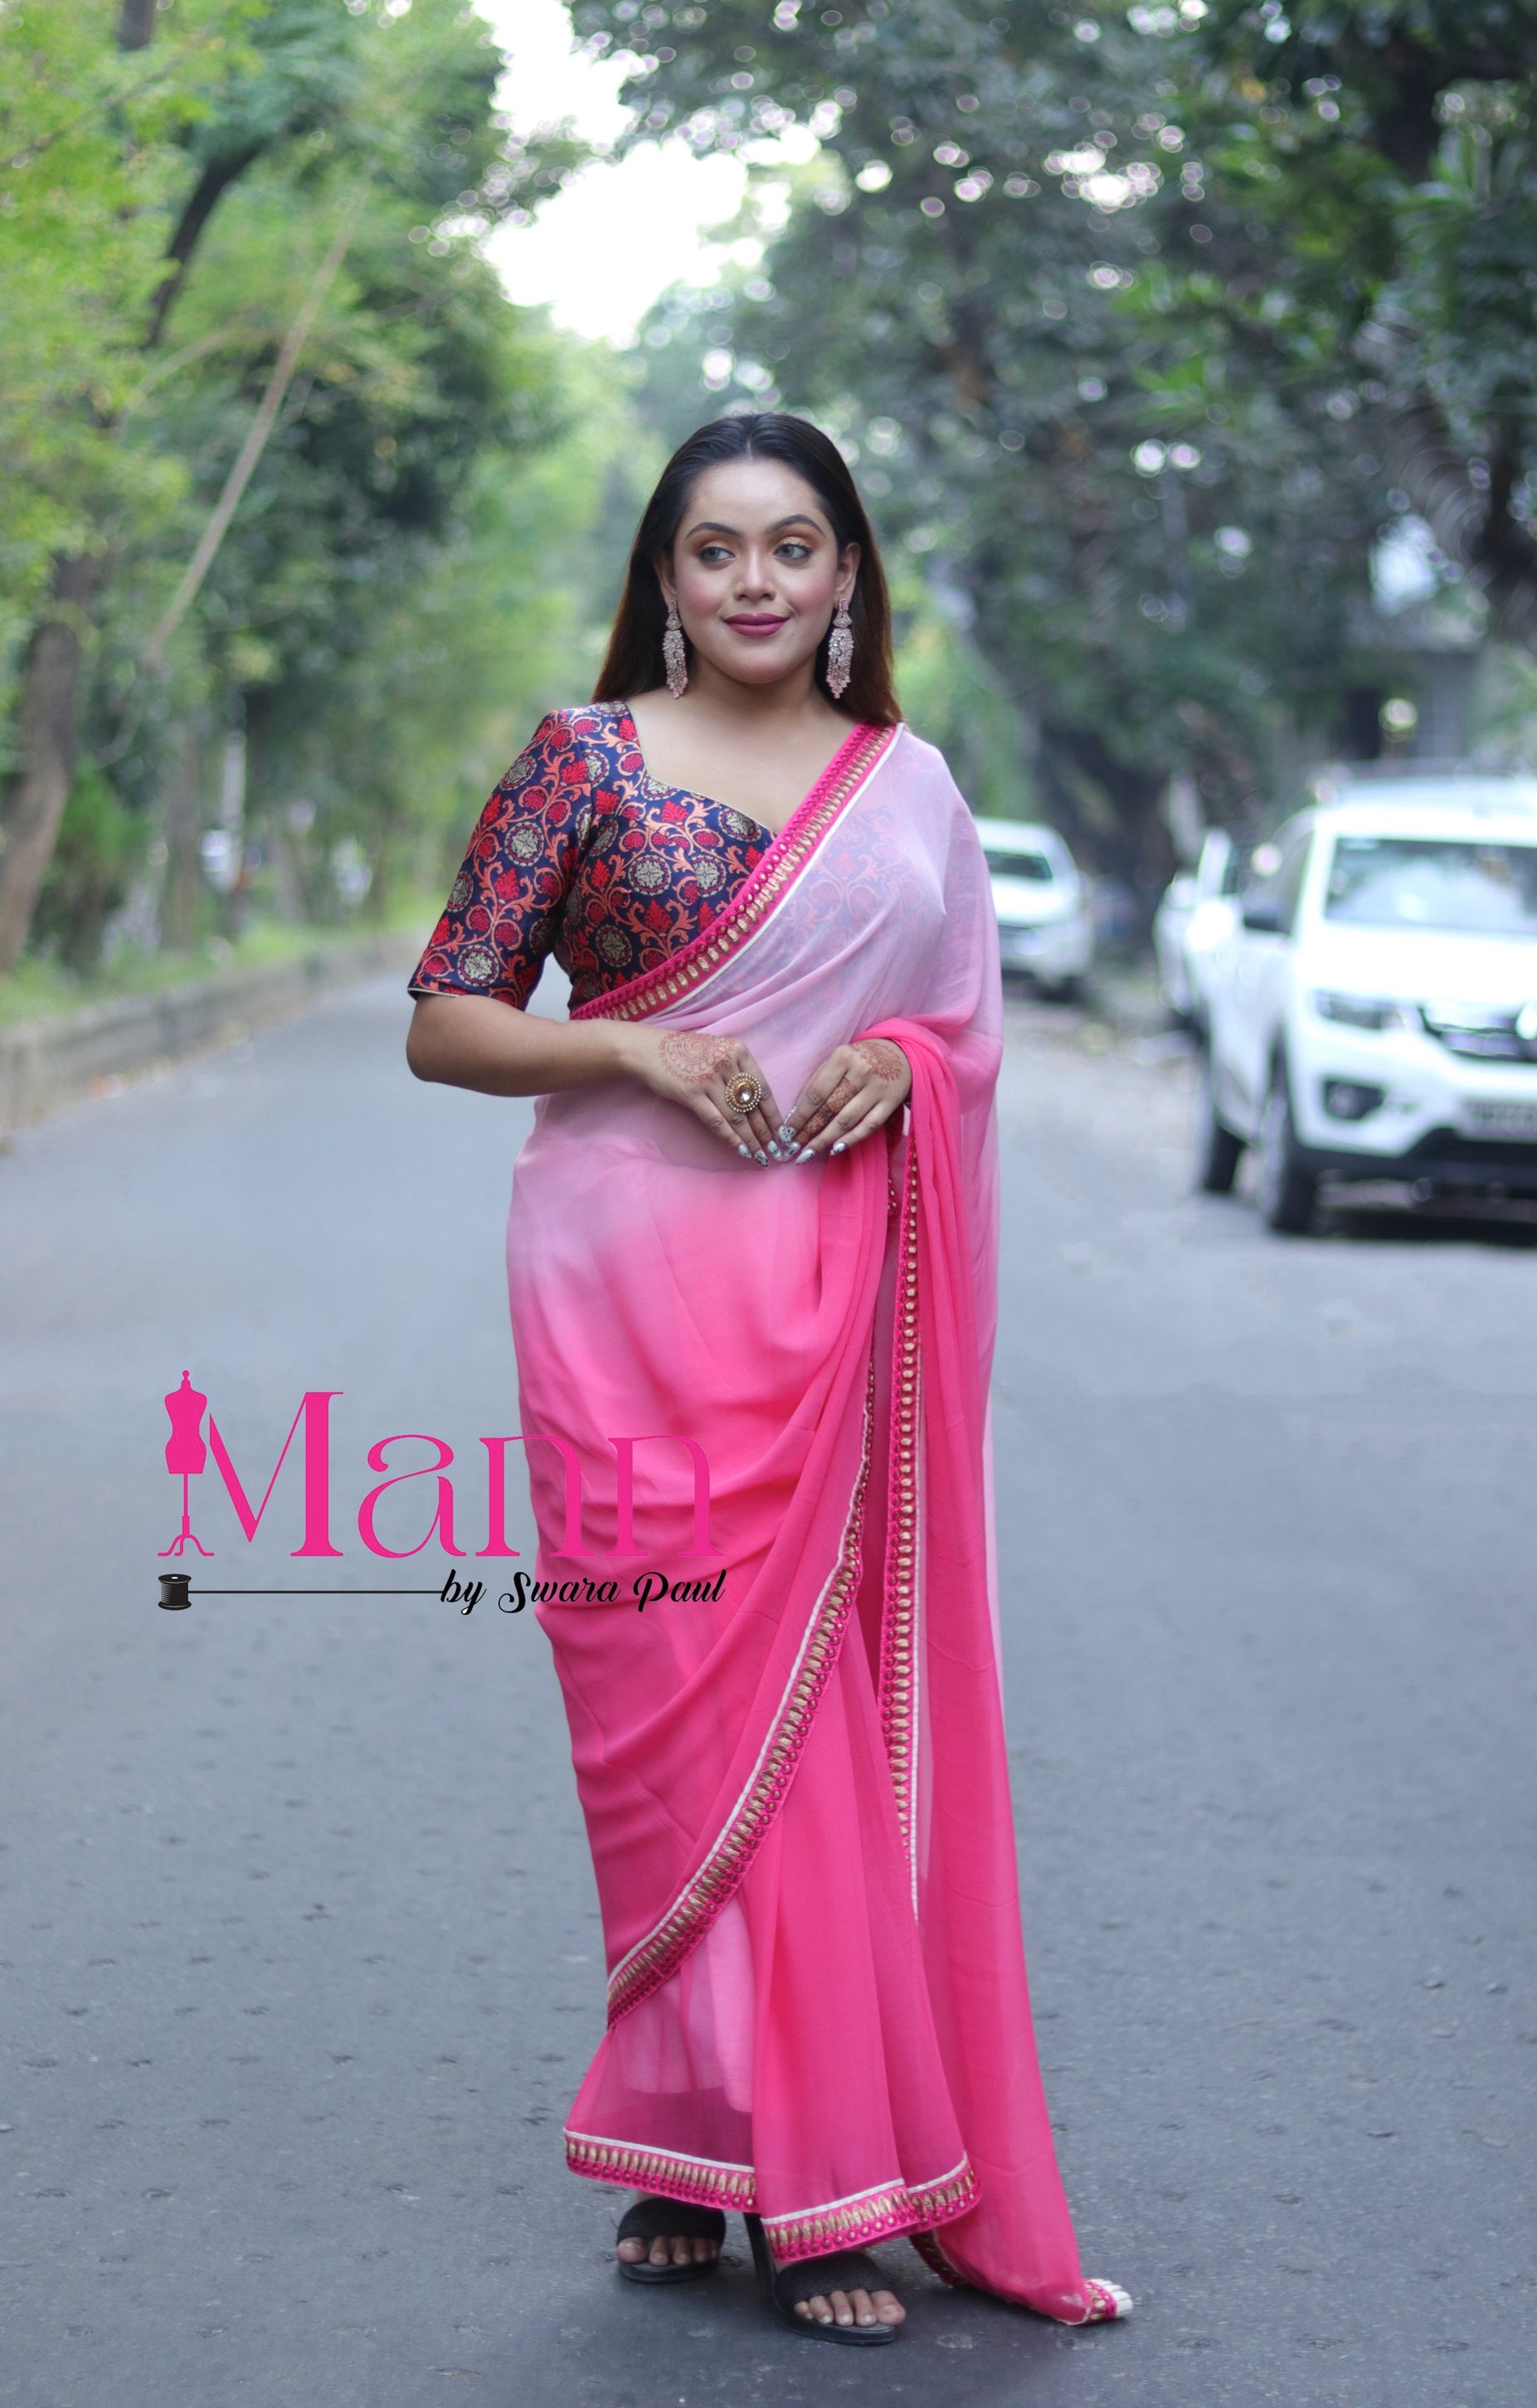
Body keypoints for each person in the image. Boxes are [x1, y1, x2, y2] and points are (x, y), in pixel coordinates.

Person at [405, 413, 1130, 2347]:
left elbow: (958, 1020)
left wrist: (906, 1054)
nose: (752, 579)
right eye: (715, 547)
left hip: (831, 1287)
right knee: (664, 1733)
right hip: (617, 1292)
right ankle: (676, 2132)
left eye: (792, 547)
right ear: (663, 571)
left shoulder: (909, 787)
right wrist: (632, 1050)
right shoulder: (581, 763)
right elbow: (447, 1020)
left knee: (811, 1721)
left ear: (844, 577)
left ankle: (810, 2177)